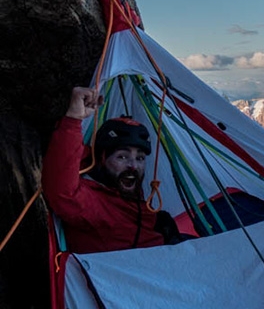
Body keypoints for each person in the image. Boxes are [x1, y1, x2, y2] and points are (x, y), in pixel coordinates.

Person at [42, 86, 180, 254]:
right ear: (102, 160)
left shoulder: (136, 198)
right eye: (122, 157)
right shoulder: (94, 203)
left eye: (140, 158)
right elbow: (62, 193)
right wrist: (73, 119)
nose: (133, 166)